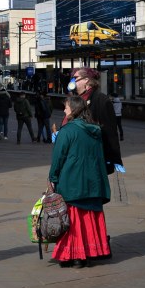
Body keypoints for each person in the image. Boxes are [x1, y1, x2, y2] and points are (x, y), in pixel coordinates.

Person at [48, 95, 111, 268]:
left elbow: (58, 158)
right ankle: (87, 254)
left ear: (74, 109)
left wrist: (53, 178)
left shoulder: (67, 130)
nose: (64, 110)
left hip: (72, 183)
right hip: (93, 184)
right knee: (89, 219)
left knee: (73, 221)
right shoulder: (95, 130)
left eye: (67, 107)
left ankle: (73, 255)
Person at [70, 68, 123, 175]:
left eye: (75, 78)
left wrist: (114, 159)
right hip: (76, 157)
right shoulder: (76, 100)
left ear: (86, 80)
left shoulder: (101, 100)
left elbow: (110, 132)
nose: (72, 81)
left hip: (93, 158)